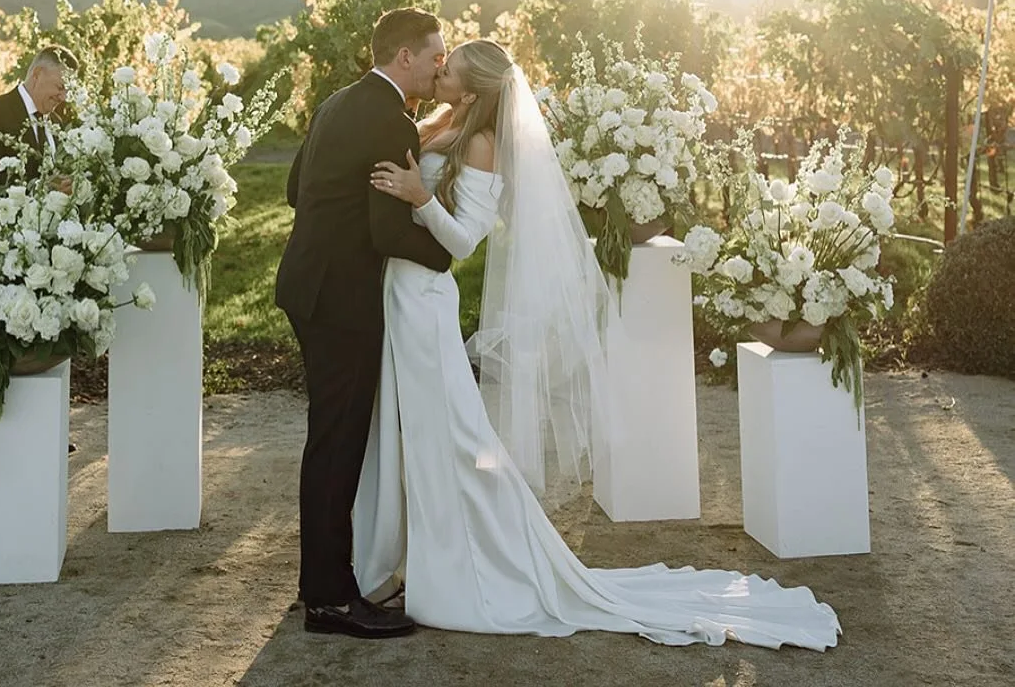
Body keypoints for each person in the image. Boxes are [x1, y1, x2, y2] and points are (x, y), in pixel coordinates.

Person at [354, 39, 841, 651]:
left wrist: (419, 197)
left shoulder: (480, 145)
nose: (439, 69)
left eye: (449, 68)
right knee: (411, 435)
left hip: (425, 302)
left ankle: (465, 566)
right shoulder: (438, 124)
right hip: (398, 295)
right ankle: (405, 558)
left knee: (450, 437)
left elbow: (463, 242)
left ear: (472, 91)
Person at [274, 8, 453, 639]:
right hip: (342, 300)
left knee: (329, 438)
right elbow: (387, 231)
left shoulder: (336, 102)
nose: (440, 67)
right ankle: (329, 599)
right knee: (338, 442)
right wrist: (449, 250)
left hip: (307, 285)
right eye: (435, 56)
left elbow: (294, 189)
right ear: (404, 57)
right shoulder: (390, 120)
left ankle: (319, 584)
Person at [0, 46, 77, 190]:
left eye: (68, 90)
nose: (64, 97)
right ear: (37, 74)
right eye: (60, 87)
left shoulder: (56, 123)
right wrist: (41, 189)